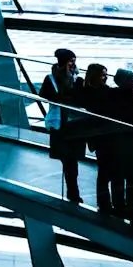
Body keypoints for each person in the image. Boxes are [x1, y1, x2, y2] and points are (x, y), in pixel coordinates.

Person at [39, 49, 86, 205]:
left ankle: (73, 192)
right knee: (69, 160)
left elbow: (79, 98)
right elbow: (45, 95)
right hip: (62, 124)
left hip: (72, 124)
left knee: (71, 160)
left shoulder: (77, 79)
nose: (73, 64)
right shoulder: (52, 79)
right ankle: (73, 193)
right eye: (70, 61)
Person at [80, 63, 124, 216]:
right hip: (107, 136)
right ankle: (116, 203)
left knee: (104, 171)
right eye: (103, 74)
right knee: (111, 171)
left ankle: (105, 203)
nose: (105, 77)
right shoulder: (105, 93)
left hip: (99, 137)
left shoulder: (86, 92)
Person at [108, 68, 133, 222]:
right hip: (129, 141)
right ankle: (131, 206)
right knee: (131, 176)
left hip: (116, 140)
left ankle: (118, 205)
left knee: (118, 176)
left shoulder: (111, 95)